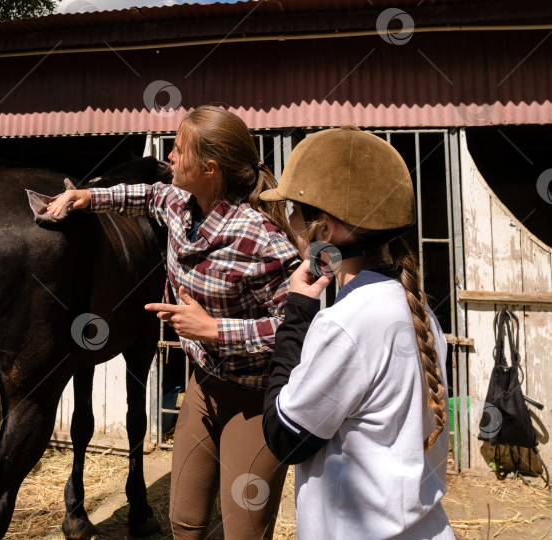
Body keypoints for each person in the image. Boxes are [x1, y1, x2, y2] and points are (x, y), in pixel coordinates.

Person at [47, 105, 299, 539]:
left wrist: (216, 330)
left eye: (179, 150)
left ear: (209, 168)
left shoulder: (261, 238)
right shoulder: (178, 203)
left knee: (243, 530)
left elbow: (298, 329)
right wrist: (87, 197)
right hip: (202, 386)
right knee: (185, 523)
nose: (170, 156)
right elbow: (142, 196)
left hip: (254, 396)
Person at [260, 126, 454, 539]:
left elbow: (284, 437)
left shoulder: (345, 323)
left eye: (294, 210)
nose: (288, 222)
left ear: (325, 230)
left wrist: (297, 312)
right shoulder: (420, 312)